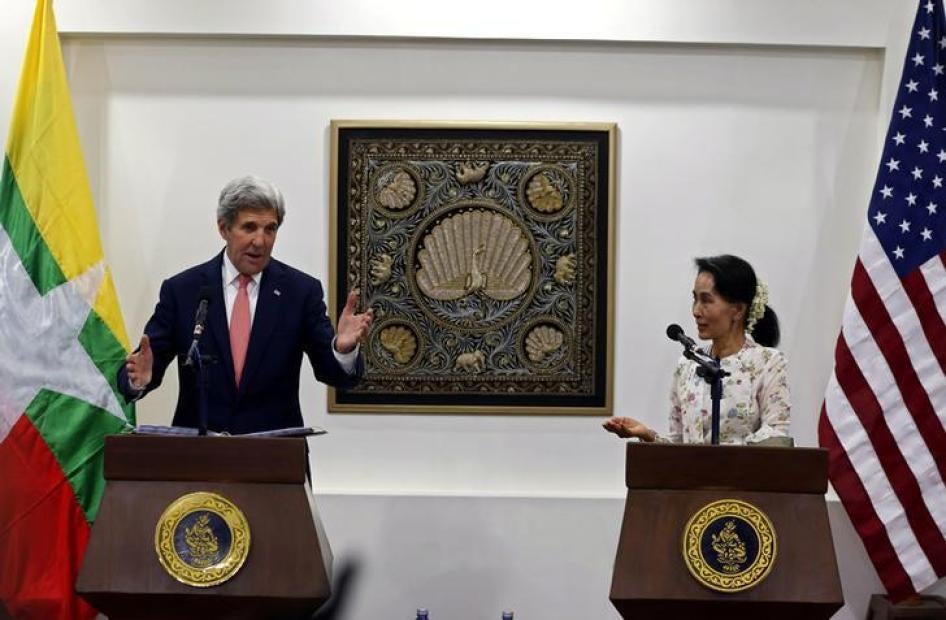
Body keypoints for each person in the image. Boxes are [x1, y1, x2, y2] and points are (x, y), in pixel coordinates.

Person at [118, 175, 373, 434]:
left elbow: (334, 375)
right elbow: (143, 366)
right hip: (197, 459)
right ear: (224, 228)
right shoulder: (182, 290)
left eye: (270, 229)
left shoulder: (300, 292)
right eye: (249, 227)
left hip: (272, 460)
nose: (260, 241)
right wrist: (139, 379)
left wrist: (342, 351)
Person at [603, 254, 790, 445]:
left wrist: (725, 460)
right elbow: (680, 442)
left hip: (744, 474)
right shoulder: (687, 365)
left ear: (738, 310)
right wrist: (648, 435)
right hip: (689, 475)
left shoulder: (768, 362)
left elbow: (775, 435)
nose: (696, 311)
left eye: (706, 300)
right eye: (695, 299)